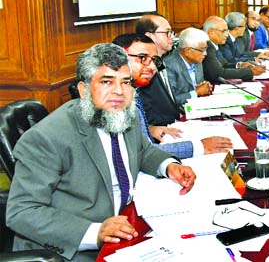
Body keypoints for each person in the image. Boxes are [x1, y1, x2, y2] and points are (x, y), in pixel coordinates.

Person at [6, 43, 196, 261]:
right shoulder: (46, 137)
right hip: (72, 245)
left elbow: (142, 151)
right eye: (106, 81)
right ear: (83, 89)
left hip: (127, 221)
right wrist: (94, 232)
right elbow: (22, 212)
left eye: (125, 82)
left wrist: (169, 166)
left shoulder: (124, 113)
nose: (119, 91)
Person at [113, 33, 233, 159]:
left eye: (154, 60)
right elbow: (144, 152)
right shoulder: (112, 99)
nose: (152, 67)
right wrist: (200, 146)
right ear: (117, 59)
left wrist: (150, 129)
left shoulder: (132, 92)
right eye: (142, 57)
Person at [136, 14, 181, 126]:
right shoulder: (142, 71)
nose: (172, 37)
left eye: (172, 32)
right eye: (167, 33)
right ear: (150, 36)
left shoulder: (161, 61)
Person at [163, 27, 214, 106]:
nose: (205, 53)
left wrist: (205, 87)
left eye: (206, 49)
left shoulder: (197, 60)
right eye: (202, 50)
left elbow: (199, 86)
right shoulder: (169, 65)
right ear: (187, 51)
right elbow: (170, 100)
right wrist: (196, 92)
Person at [201, 16, 256, 82]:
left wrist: (239, 65)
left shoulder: (215, 44)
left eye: (227, 31)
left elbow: (224, 65)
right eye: (224, 31)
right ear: (211, 32)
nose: (227, 34)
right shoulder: (206, 47)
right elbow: (219, 73)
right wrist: (250, 72)